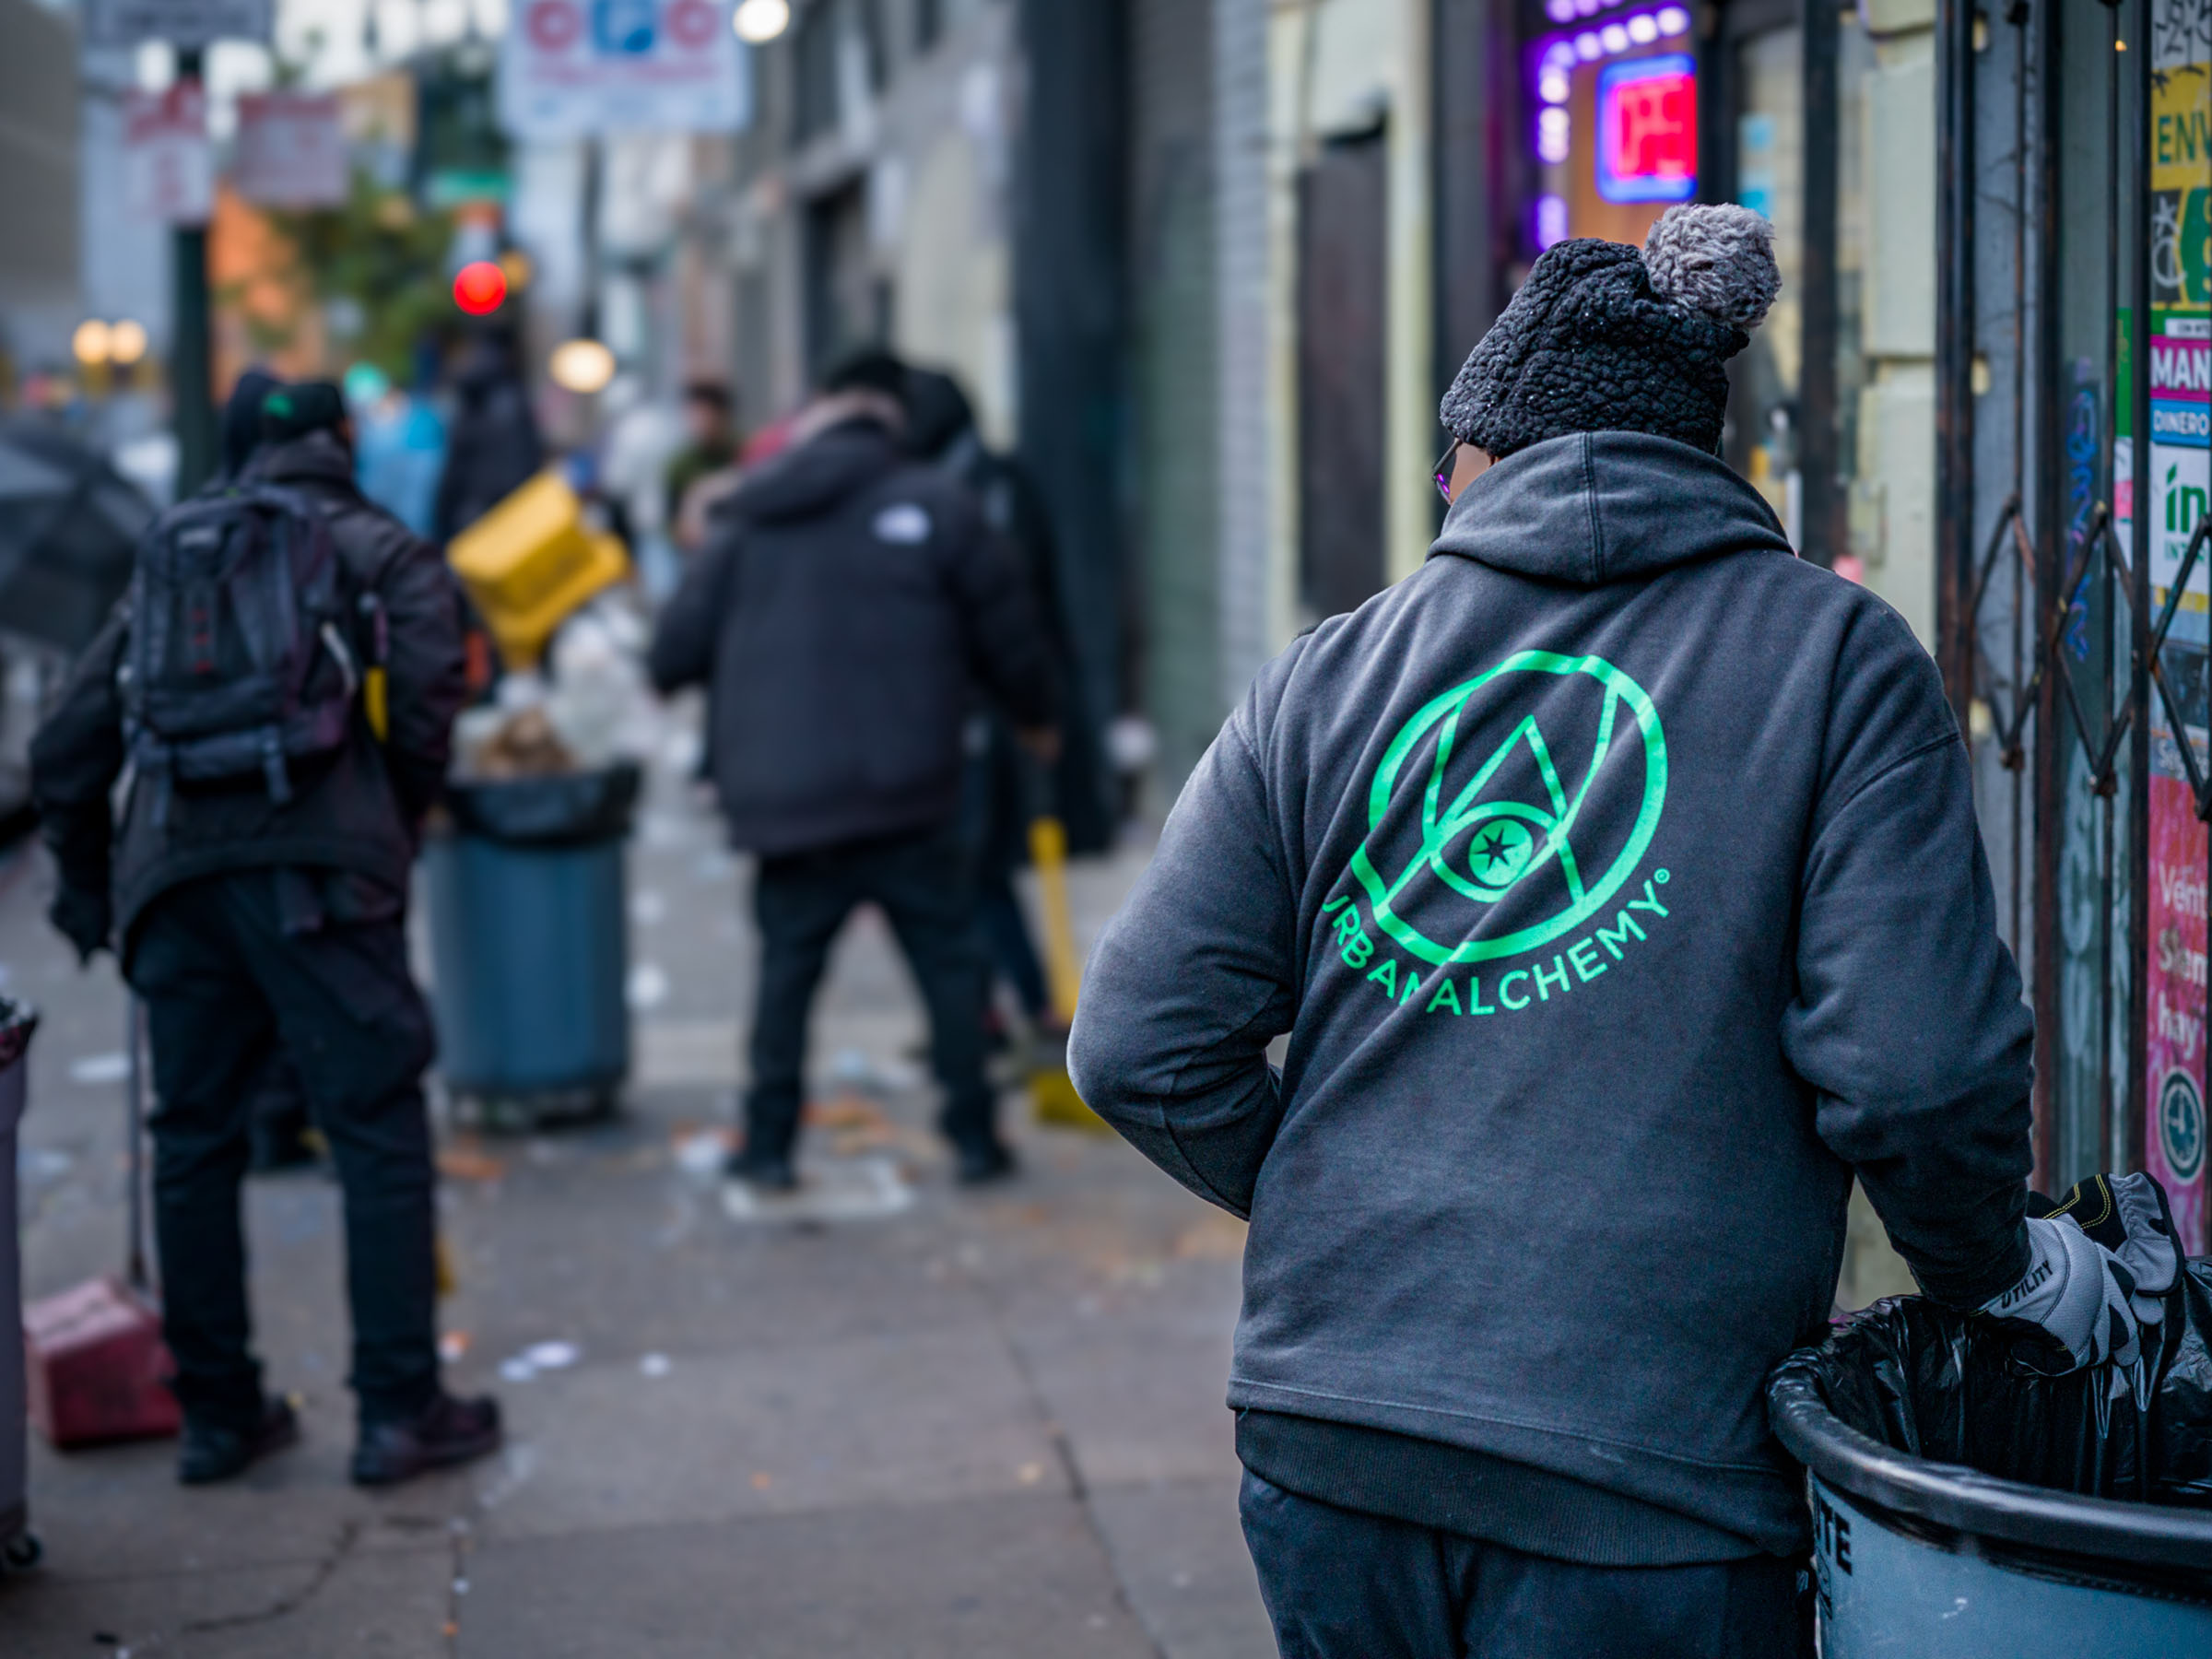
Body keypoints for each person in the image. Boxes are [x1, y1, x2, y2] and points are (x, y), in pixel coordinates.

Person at [1067, 206, 2159, 1657]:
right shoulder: (1834, 660)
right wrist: (2001, 1275)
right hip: (1653, 1481)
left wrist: (1362, 1210)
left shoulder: (1324, 677)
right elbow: (1910, 1069)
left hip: (1333, 1445)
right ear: (1703, 459)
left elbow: (1137, 1046)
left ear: (1468, 461)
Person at [31, 381, 500, 1488]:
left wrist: (90, 892)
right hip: (323, 878)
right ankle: (397, 1411)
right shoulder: (387, 551)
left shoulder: (170, 557)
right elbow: (433, 690)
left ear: (236, 451)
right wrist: (397, 815)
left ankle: (217, 1415)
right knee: (376, 1128)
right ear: (342, 443)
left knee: (193, 1140)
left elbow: (65, 744)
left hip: (175, 881)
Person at [649, 350, 1059, 1188]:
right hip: (912, 790)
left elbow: (671, 655)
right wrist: (1039, 720)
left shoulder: (746, 515)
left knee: (786, 979)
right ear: (894, 418)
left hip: (786, 803)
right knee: (947, 967)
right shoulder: (939, 506)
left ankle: (767, 1150)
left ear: (819, 408)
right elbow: (1012, 636)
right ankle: (975, 1141)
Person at [433, 331, 543, 542]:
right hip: (516, 512)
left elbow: (455, 468)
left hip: (474, 515)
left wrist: (442, 517)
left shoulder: (468, 403)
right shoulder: (516, 399)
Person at [664, 380, 740, 551]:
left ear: (723, 415)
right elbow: (671, 519)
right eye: (694, 416)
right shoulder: (680, 464)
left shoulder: (745, 453)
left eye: (707, 416)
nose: (700, 423)